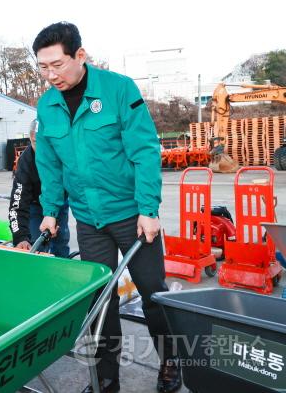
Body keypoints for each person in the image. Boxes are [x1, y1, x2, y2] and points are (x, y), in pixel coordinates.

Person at [33, 22, 181, 393]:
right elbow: (50, 165)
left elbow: (145, 151)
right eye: (43, 67)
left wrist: (148, 208)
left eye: (58, 65)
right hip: (89, 219)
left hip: (133, 215)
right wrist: (52, 210)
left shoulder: (118, 90)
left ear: (80, 56)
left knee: (153, 292)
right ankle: (107, 376)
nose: (51, 75)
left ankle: (171, 363)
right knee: (100, 300)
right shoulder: (47, 105)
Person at [9, 119, 70, 256]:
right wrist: (20, 237)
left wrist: (55, 216)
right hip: (35, 205)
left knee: (61, 243)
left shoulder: (63, 156)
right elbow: (17, 204)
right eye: (36, 142)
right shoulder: (26, 162)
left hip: (59, 202)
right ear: (30, 139)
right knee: (37, 244)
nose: (41, 148)